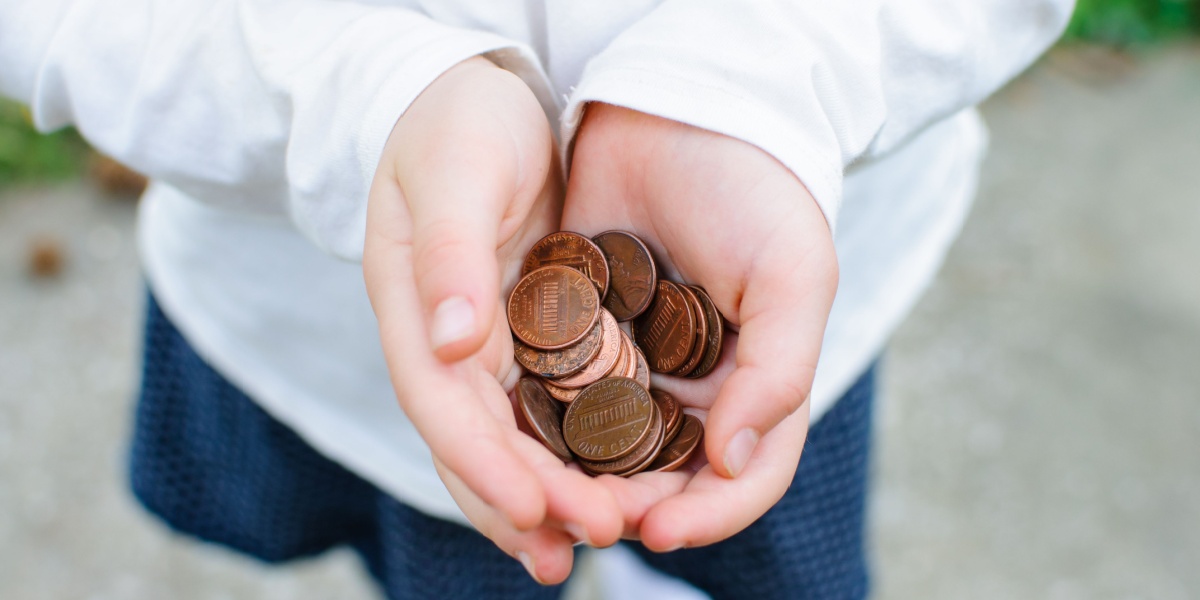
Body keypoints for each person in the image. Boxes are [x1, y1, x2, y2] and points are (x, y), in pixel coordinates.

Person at [0, 1, 1075, 598]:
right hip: (333, 335)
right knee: (442, 569)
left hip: (767, 313)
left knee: (737, 545)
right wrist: (363, 94)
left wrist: (759, 82)